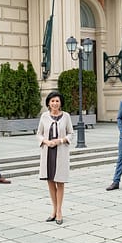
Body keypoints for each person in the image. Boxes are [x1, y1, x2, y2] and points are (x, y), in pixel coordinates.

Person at [37, 91, 73, 225]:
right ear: (48, 103)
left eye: (57, 101)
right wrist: (46, 141)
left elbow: (71, 133)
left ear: (61, 103)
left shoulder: (66, 116)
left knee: (60, 182)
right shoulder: (44, 116)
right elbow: (39, 134)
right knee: (50, 182)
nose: (55, 103)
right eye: (52, 101)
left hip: (61, 152)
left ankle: (59, 211)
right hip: (48, 153)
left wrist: (61, 140)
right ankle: (53, 210)